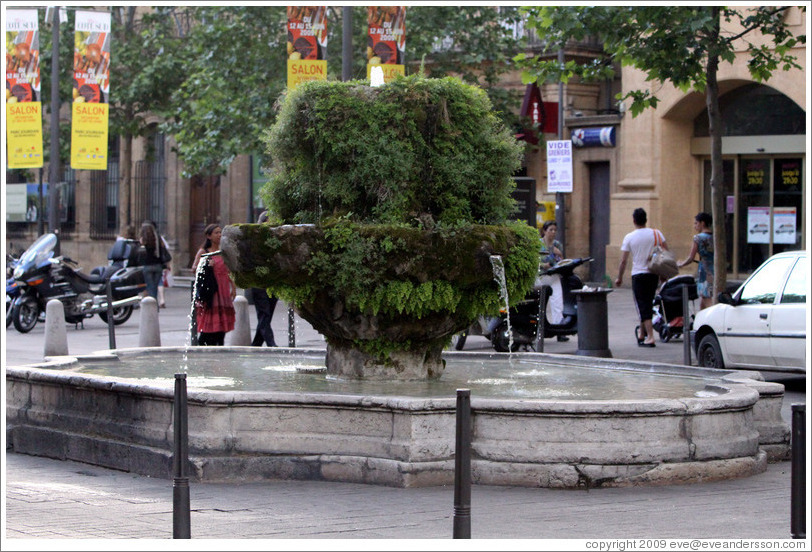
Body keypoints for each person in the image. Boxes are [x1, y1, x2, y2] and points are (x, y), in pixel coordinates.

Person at [615, 207, 669, 348]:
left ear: (634, 220)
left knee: (642, 305)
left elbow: (623, 261)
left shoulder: (629, 237)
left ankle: (650, 337)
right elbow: (666, 251)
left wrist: (619, 277)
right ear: (646, 219)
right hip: (652, 274)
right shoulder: (656, 233)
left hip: (638, 274)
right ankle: (642, 333)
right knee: (647, 303)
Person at [192, 223, 236, 346]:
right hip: (211, 289)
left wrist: (233, 287)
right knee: (210, 319)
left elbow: (229, 270)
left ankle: (220, 343)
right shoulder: (204, 252)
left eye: (220, 232)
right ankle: (204, 344)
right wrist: (207, 266)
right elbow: (194, 269)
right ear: (209, 236)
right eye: (216, 233)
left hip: (223, 289)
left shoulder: (223, 251)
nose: (219, 235)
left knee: (222, 321)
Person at [535, 219, 568, 341]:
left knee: (557, 303)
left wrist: (559, 254)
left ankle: (559, 331)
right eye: (550, 230)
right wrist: (544, 266)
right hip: (541, 276)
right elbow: (534, 261)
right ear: (545, 231)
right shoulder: (538, 244)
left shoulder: (557, 245)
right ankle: (537, 329)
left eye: (555, 230)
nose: (553, 232)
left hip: (554, 276)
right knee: (538, 303)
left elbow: (563, 262)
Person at [250, 211, 278, 347]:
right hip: (259, 283)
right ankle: (272, 344)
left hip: (272, 282)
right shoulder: (255, 239)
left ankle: (256, 344)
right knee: (264, 313)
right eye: (269, 221)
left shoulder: (276, 239)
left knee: (267, 314)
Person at [678, 212, 714, 310]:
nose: (695, 226)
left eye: (696, 223)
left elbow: (691, 257)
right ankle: (701, 320)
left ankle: (714, 318)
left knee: (706, 296)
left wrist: (682, 264)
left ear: (702, 223)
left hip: (704, 269)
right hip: (714, 268)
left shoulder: (698, 238)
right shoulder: (714, 237)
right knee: (705, 297)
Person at [139, 221, 166, 301]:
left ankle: (153, 306)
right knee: (154, 287)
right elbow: (162, 251)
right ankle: (155, 305)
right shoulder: (157, 238)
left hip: (147, 266)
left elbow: (141, 255)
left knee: (150, 287)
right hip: (158, 265)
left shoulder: (143, 240)